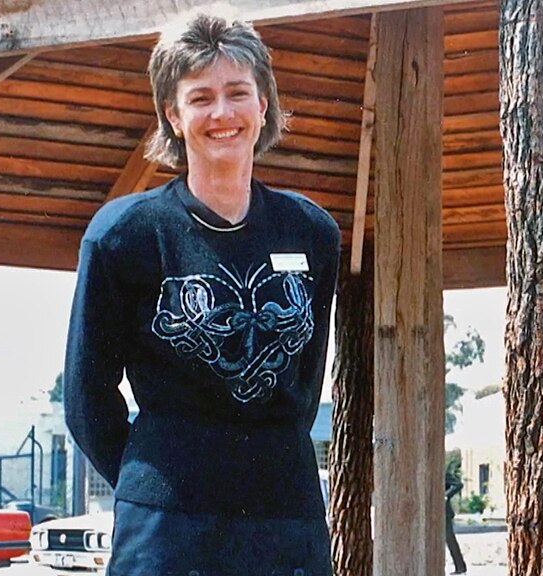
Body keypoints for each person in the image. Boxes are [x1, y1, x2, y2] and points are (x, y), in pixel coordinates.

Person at [63, 13, 340, 576]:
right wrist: (154, 476)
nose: (222, 113)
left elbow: (303, 383)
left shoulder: (313, 233)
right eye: (201, 97)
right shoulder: (125, 235)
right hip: (167, 524)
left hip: (285, 517)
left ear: (263, 104)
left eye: (238, 93)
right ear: (173, 113)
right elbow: (86, 396)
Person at [445, 473, 467, 575]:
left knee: (450, 541)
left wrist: (446, 495)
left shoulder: (442, 473)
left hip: (444, 513)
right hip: (431, 514)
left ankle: (460, 567)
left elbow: (458, 484)